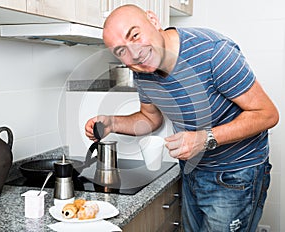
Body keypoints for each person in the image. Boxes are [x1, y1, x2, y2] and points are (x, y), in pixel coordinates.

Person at [85, 4, 279, 232]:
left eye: (135, 35)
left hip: (235, 175)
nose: (134, 53)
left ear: (153, 20)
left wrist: (204, 139)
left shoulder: (213, 52)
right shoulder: (142, 72)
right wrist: (112, 123)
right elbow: (150, 118)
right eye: (121, 50)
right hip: (192, 171)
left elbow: (267, 114)